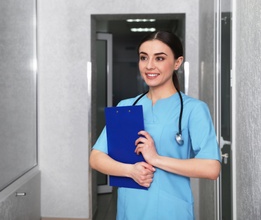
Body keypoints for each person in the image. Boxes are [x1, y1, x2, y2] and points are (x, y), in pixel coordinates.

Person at [90, 31, 221, 220]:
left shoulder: (194, 109)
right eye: (144, 58)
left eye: (159, 58)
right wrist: (130, 171)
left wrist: (155, 158)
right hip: (130, 209)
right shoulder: (126, 107)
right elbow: (96, 158)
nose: (149, 66)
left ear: (177, 62)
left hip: (172, 210)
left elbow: (211, 169)